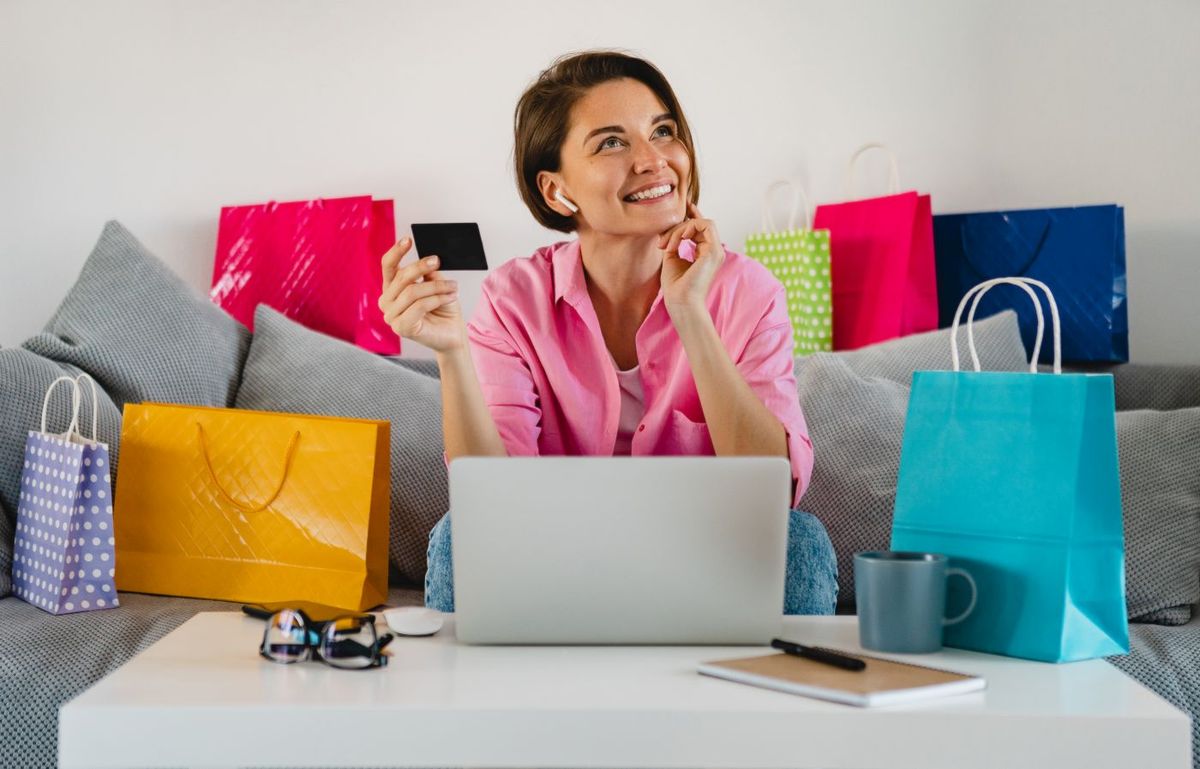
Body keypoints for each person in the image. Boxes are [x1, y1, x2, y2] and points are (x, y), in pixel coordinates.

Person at [377, 50, 837, 614]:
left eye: (663, 132)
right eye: (612, 143)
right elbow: (490, 500)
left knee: (800, 542)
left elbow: (773, 492)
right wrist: (452, 354)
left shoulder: (749, 293)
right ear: (556, 190)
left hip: (706, 555)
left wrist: (690, 313)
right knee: (458, 535)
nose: (654, 160)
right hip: (558, 559)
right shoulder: (513, 300)